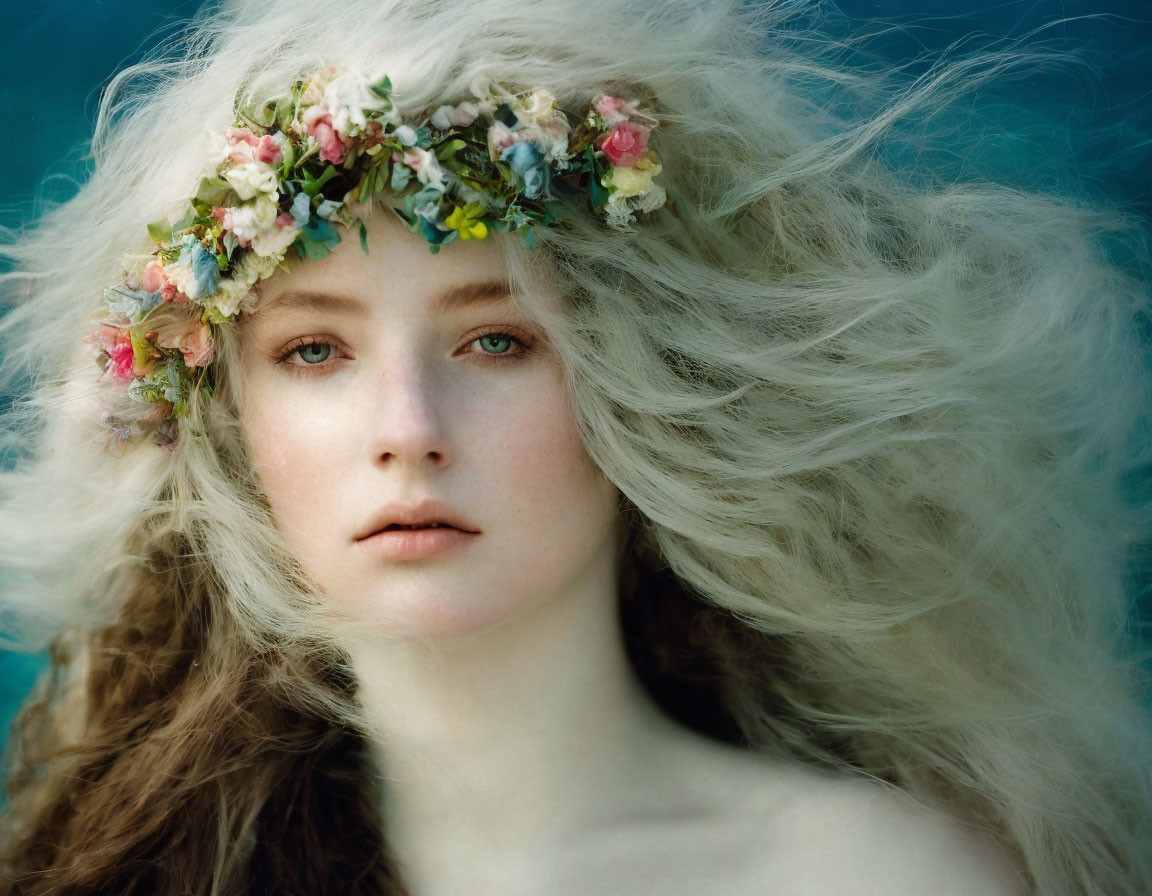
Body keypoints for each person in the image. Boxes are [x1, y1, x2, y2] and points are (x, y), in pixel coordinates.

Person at [0, 0, 1149, 893]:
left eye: (497, 339)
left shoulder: (873, 878)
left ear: (641, 381)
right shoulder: (124, 869)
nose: (409, 429)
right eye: (314, 352)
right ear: (229, 425)